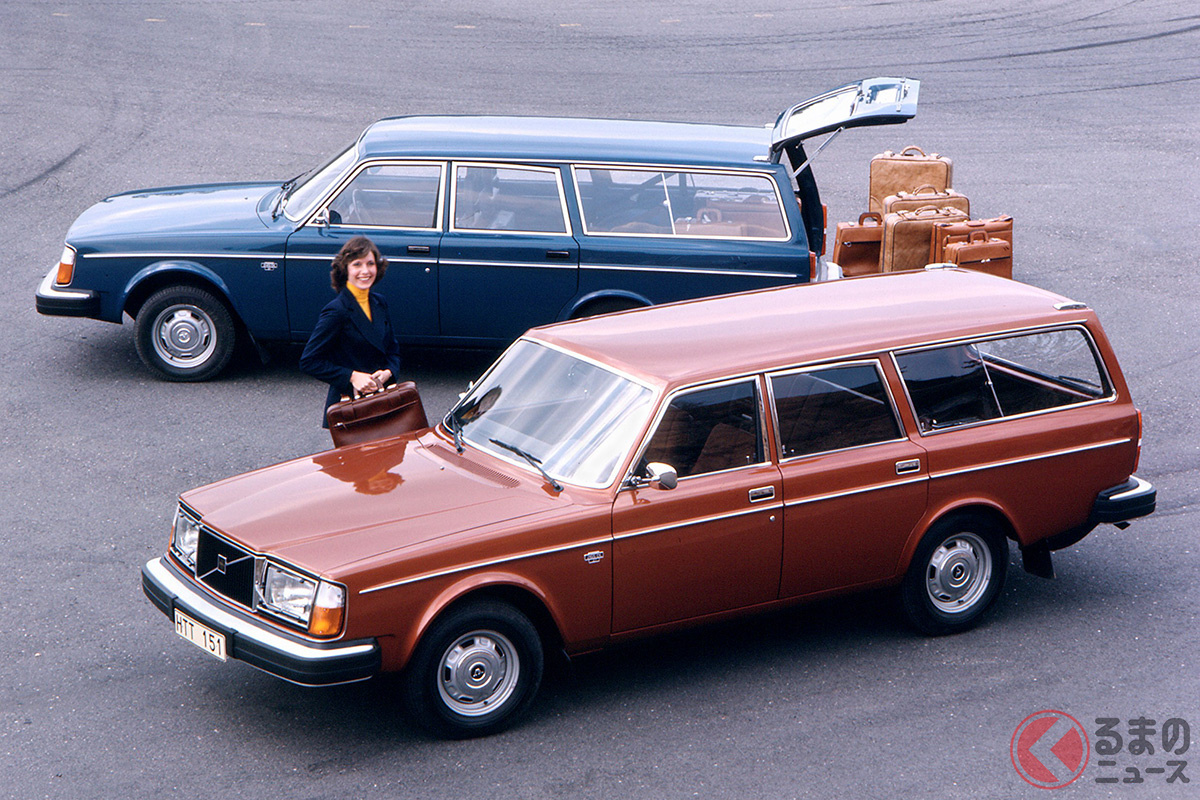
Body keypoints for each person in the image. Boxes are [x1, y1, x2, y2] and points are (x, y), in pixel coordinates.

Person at [300, 236, 404, 427]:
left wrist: (388, 372)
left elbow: (392, 350)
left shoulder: (379, 302)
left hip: (382, 401)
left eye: (370, 264)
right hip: (351, 408)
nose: (365, 271)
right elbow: (309, 361)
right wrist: (352, 376)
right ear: (345, 269)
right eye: (357, 264)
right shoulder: (337, 311)